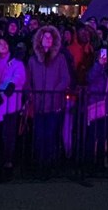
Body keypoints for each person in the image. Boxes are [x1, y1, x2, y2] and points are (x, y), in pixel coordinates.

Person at [26, 25, 70, 171]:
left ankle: (51, 164)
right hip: (38, 104)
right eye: (45, 37)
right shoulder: (33, 60)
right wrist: (31, 93)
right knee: (39, 135)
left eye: (50, 37)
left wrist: (54, 91)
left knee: (52, 135)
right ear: (40, 39)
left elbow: (65, 79)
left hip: (55, 103)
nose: (48, 39)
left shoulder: (60, 58)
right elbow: (28, 80)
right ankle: (39, 164)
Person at [0, 37, 25, 180]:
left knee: (9, 135)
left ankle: (8, 163)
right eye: (0, 44)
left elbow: (18, 77)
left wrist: (8, 89)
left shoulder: (16, 63)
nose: (3, 45)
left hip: (11, 105)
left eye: (4, 42)